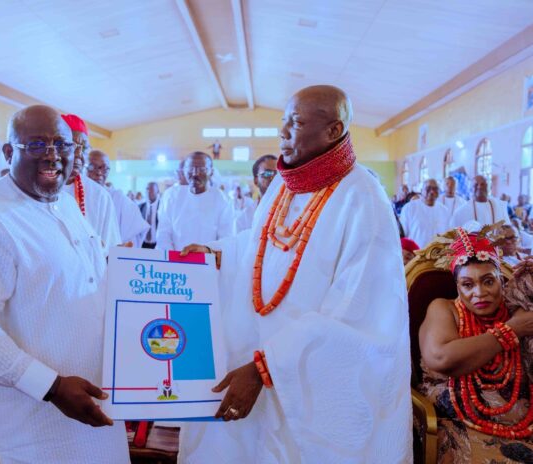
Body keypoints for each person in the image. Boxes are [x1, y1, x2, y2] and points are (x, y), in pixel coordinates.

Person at [179, 85, 412, 462]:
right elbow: (261, 242)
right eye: (283, 120)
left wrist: (268, 366)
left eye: (297, 122)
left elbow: (359, 312)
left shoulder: (363, 197)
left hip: (308, 381)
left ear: (334, 131)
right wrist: (218, 253)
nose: (283, 131)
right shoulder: (286, 185)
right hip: (253, 356)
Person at [0, 105, 129, 463]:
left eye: (63, 144)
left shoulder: (65, 203)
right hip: (27, 429)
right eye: (37, 144)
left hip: (90, 407)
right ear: (8, 152)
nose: (53, 155)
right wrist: (51, 387)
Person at [418, 230, 533, 463]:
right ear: (457, 287)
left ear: (502, 280)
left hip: (524, 425)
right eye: (467, 284)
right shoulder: (444, 308)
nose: (479, 293)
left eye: (488, 281)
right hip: (460, 425)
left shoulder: (516, 309)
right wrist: (511, 331)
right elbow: (441, 358)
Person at [61, 114, 120, 252]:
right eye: (71, 146)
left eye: (84, 148)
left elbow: (111, 249)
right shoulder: (39, 190)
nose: (78, 154)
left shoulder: (100, 196)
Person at [156, 151, 235, 251]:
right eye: (190, 169)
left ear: (211, 172)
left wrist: (207, 253)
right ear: (184, 171)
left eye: (202, 169)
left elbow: (226, 238)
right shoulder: (171, 196)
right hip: (175, 258)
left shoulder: (222, 199)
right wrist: (172, 258)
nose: (195, 173)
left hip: (209, 258)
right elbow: (163, 234)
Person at [86, 150, 148, 247]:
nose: (99, 172)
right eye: (92, 167)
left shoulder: (119, 199)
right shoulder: (73, 195)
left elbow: (135, 233)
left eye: (104, 168)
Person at [399, 179, 449, 248]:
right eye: (428, 188)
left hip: (438, 253)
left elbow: (447, 236)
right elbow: (402, 236)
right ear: (421, 190)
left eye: (435, 189)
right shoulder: (409, 208)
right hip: (415, 253)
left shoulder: (444, 211)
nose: (432, 192)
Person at [139, 182, 160, 249]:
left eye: (151, 189)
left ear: (157, 192)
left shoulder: (163, 207)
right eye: (147, 189)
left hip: (157, 245)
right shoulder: (141, 207)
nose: (148, 192)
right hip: (143, 245)